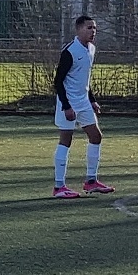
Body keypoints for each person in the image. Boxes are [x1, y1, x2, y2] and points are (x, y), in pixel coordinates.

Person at [51, 15, 114, 199]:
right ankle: (59, 186)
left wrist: (92, 100)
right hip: (68, 102)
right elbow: (58, 81)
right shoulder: (70, 51)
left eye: (94, 28)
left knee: (96, 136)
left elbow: (83, 78)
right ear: (78, 30)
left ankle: (91, 181)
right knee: (66, 140)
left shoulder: (91, 49)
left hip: (83, 101)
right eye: (89, 28)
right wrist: (66, 106)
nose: (93, 31)